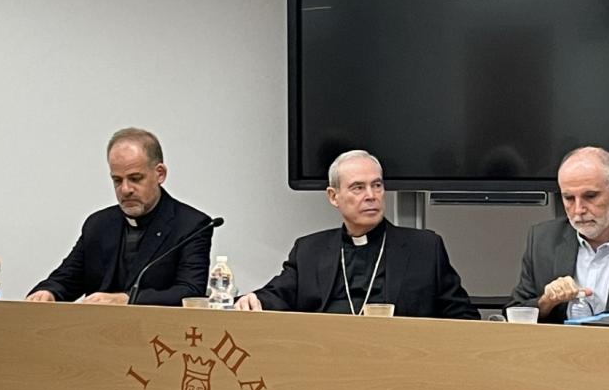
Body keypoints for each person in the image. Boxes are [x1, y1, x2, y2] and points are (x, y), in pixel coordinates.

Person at [233, 150, 477, 319]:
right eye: (358, 187)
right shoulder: (309, 250)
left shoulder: (424, 248)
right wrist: (252, 300)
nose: (371, 195)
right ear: (333, 196)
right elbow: (278, 294)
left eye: (377, 185)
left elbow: (463, 318)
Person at [27, 128, 212, 305]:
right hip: (98, 332)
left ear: (160, 173)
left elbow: (190, 292)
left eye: (135, 178)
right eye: (117, 180)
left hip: (156, 333)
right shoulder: (99, 224)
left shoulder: (192, 225)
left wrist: (127, 299)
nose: (125, 190)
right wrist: (48, 292)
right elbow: (68, 278)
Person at [509, 147, 609, 323]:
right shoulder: (543, 240)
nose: (579, 210)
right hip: (559, 348)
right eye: (569, 198)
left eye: (591, 196)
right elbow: (514, 313)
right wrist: (547, 301)